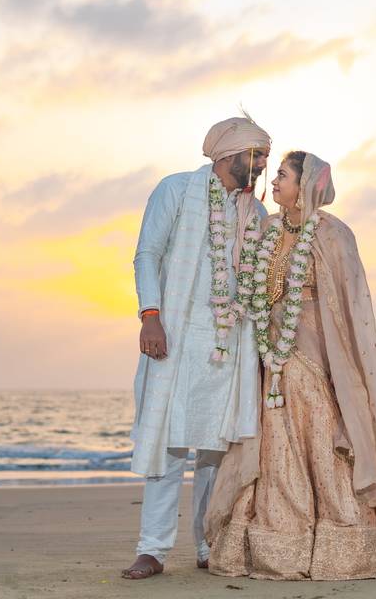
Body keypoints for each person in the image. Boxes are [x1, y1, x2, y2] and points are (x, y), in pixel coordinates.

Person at [204, 151, 376, 580]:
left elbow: (349, 309)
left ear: (306, 186)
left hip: (314, 359)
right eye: (275, 174)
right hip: (267, 359)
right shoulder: (268, 230)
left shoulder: (333, 235)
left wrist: (352, 370)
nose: (274, 182)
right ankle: (279, 541)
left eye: (283, 175)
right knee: (273, 447)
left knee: (320, 441)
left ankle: (339, 542)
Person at [121, 115, 271, 580]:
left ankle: (210, 544)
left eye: (266, 156)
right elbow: (147, 253)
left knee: (215, 451)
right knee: (168, 446)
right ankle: (153, 550)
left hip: (231, 345)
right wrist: (151, 315)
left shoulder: (256, 214)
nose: (264, 165)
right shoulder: (176, 190)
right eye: (257, 155)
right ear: (229, 154)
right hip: (176, 339)